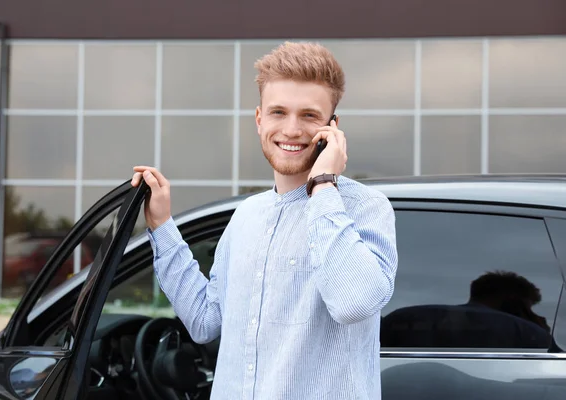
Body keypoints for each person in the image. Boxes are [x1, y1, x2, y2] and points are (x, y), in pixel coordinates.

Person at [131, 41, 399, 400]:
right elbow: (205, 320)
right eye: (278, 112)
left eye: (308, 115)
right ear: (259, 120)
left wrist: (322, 185)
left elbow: (352, 303)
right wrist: (162, 225)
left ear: (333, 127)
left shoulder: (367, 207)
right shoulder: (246, 215)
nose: (291, 129)